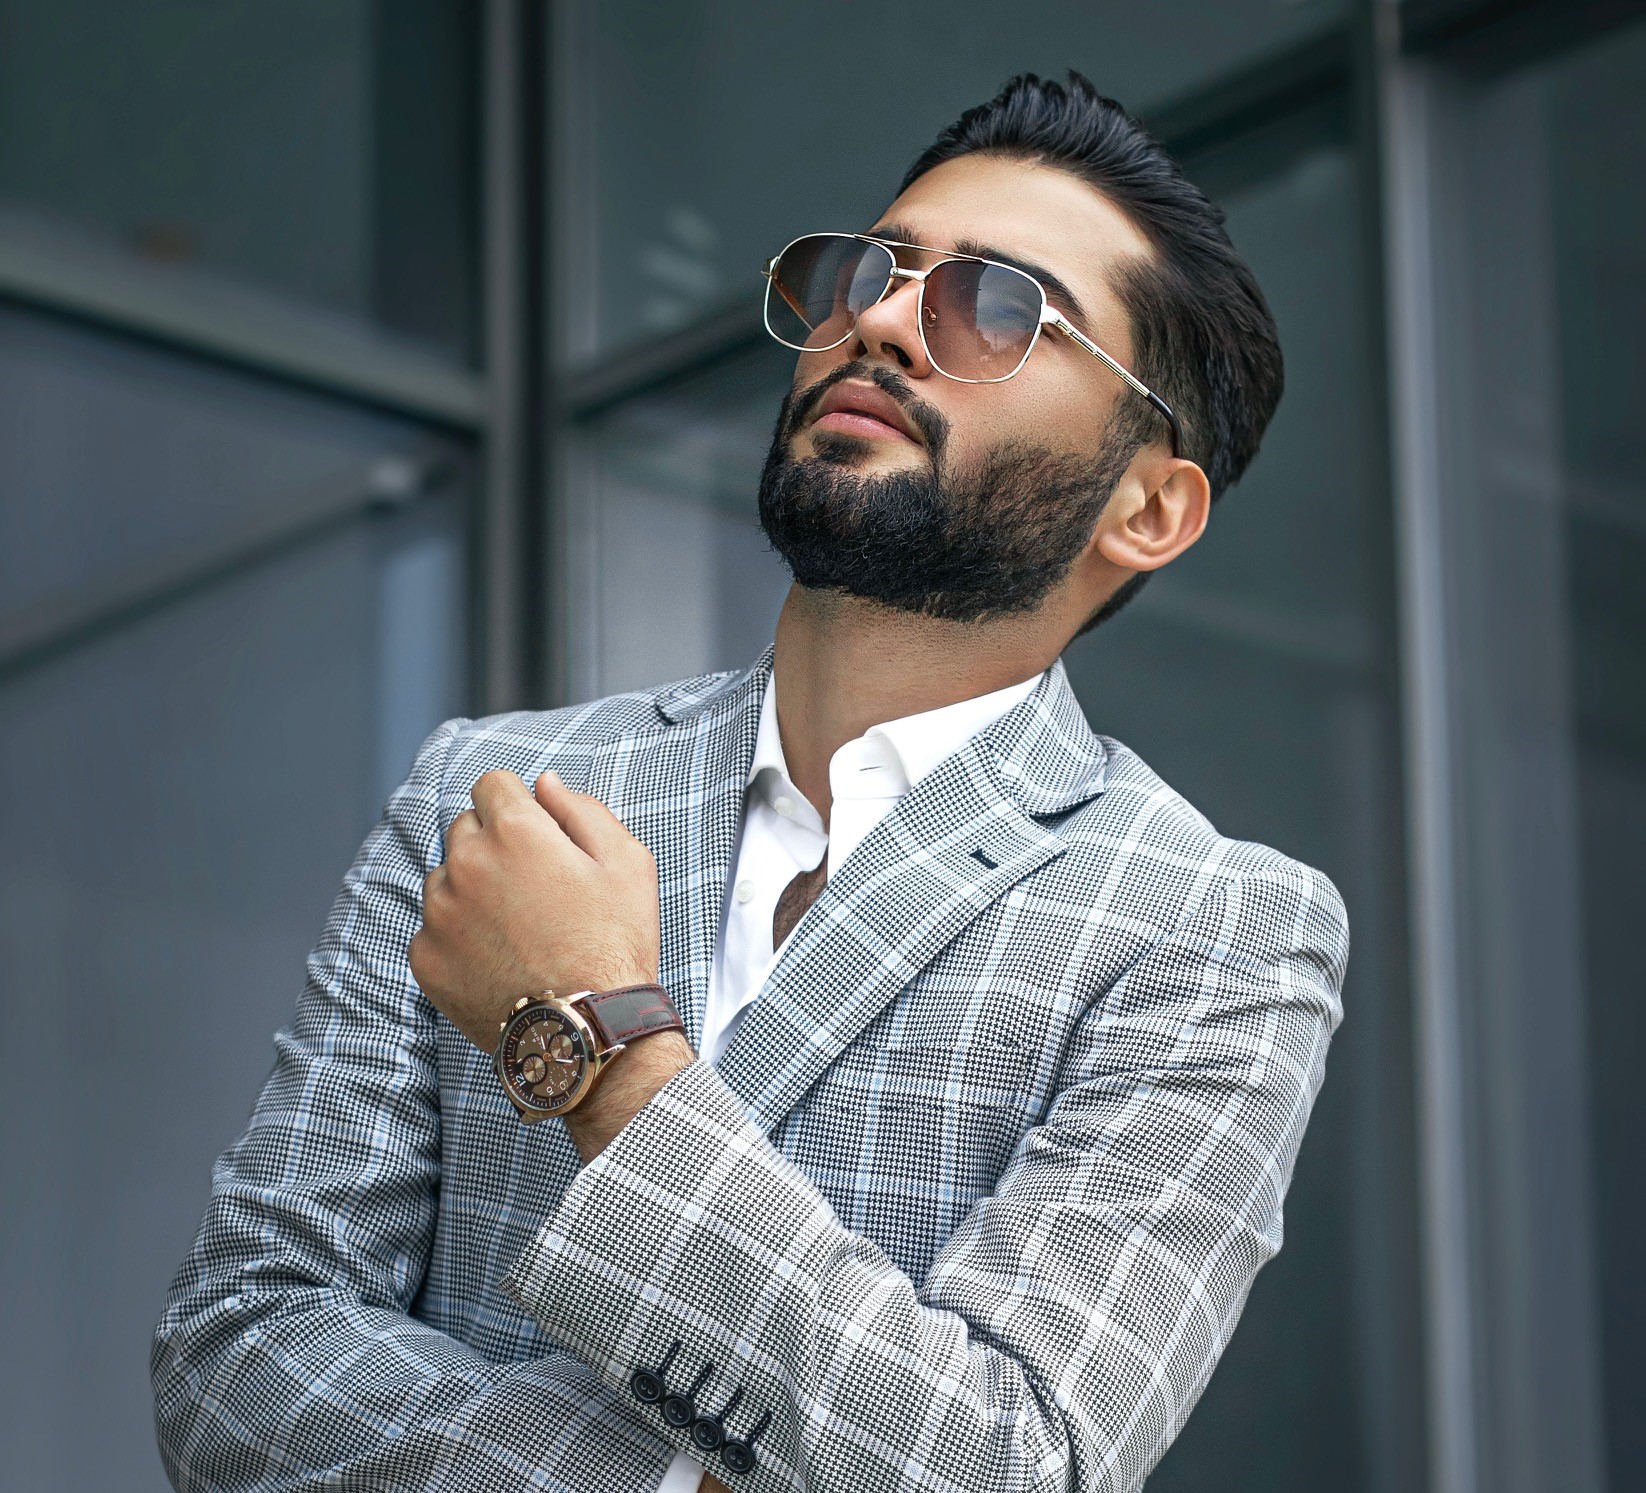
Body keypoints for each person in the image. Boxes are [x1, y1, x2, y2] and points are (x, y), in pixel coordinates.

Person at [152, 71, 1347, 1493]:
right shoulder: (493, 790)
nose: (883, 317)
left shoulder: (1209, 930)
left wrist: (596, 1047)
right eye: (871, 270)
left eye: (996, 308)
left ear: (1148, 506)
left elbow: (999, 1468)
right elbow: (234, 1350)